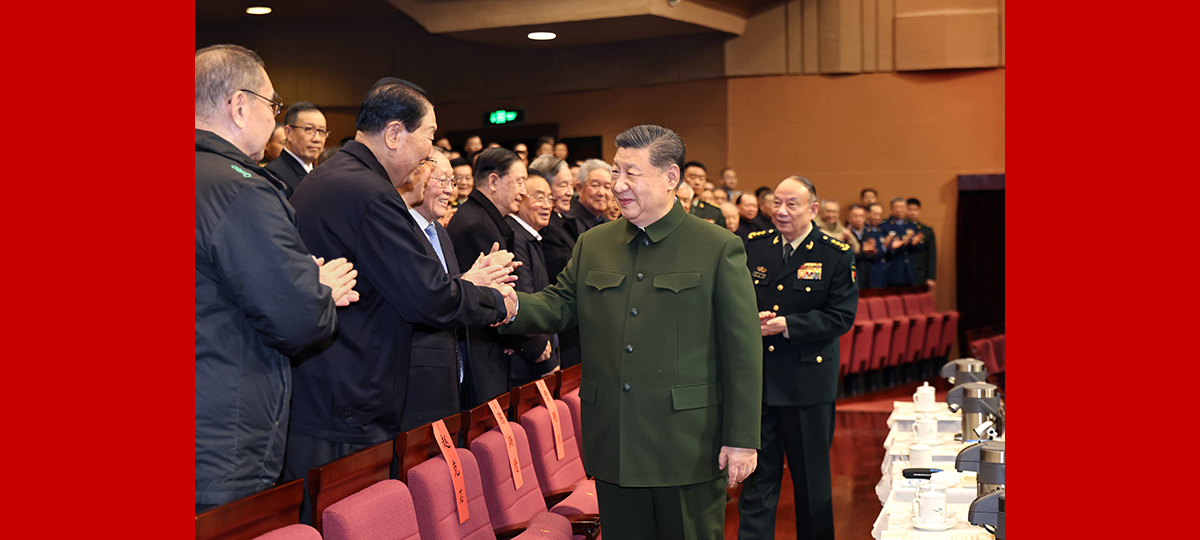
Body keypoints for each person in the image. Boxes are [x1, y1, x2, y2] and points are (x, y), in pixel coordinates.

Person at [500, 124, 762, 539]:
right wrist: (506, 304)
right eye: (616, 172)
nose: (618, 186)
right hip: (615, 442)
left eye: (631, 173)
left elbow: (743, 351)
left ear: (670, 178)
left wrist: (742, 438)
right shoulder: (594, 243)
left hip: (686, 445)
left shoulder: (716, 246)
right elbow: (558, 304)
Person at [284, 78, 518, 522]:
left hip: (322, 392)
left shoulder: (329, 178)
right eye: (427, 137)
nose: (428, 154)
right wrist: (495, 301)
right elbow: (428, 296)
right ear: (394, 134)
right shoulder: (370, 194)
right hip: (349, 402)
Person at [194, 44, 358, 512]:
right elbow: (297, 317)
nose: (275, 118)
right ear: (240, 105)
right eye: (273, 104)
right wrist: (319, 287)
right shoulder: (239, 188)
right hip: (220, 438)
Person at [737, 176, 857, 540]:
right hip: (760, 383)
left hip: (807, 385)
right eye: (777, 203)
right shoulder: (754, 246)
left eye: (792, 205)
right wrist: (749, 317)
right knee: (757, 479)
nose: (782, 212)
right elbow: (737, 298)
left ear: (814, 210)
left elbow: (841, 316)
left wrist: (788, 325)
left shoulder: (834, 253)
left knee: (811, 483)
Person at [446, 147, 531, 405]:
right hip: (482, 355)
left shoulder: (486, 219)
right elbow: (494, 298)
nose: (523, 191)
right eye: (519, 182)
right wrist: (531, 345)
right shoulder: (477, 225)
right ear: (493, 181)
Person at [397, 149, 477, 422]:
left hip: (452, 377)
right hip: (417, 385)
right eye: (442, 181)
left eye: (452, 182)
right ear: (417, 177)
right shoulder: (401, 230)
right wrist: (471, 283)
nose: (450, 191)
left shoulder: (440, 231)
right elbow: (426, 298)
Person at [503, 170, 561, 384]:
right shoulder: (515, 236)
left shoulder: (530, 236)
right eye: (539, 197)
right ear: (519, 197)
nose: (547, 205)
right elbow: (523, 298)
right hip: (528, 361)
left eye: (549, 198)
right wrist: (543, 354)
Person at [528, 154, 582, 369]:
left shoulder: (562, 222)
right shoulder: (545, 229)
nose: (570, 192)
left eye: (571, 185)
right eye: (563, 185)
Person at [266, 101, 329, 198]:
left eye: (321, 131)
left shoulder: (322, 174)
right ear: (288, 132)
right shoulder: (273, 176)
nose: (317, 139)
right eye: (309, 129)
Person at [566, 158, 612, 235]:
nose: (601, 193)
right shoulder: (568, 224)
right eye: (595, 185)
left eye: (607, 187)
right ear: (580, 188)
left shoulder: (609, 225)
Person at [879, 197, 916, 286]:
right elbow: (883, 249)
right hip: (893, 268)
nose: (899, 210)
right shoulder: (885, 225)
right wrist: (894, 246)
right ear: (891, 209)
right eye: (896, 207)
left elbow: (918, 247)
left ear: (906, 209)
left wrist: (914, 243)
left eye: (902, 207)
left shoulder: (911, 225)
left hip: (909, 269)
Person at [846, 204, 883, 290]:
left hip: (867, 277)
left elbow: (873, 258)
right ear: (849, 218)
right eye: (856, 216)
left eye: (862, 216)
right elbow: (847, 258)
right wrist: (863, 252)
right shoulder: (846, 235)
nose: (859, 219)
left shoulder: (867, 235)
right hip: (852, 277)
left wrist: (872, 252)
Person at [907, 198, 937, 291]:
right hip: (902, 273)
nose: (912, 213)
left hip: (919, 272)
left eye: (915, 210)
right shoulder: (899, 228)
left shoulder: (926, 230)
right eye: (909, 209)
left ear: (919, 210)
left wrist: (931, 277)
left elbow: (932, 255)